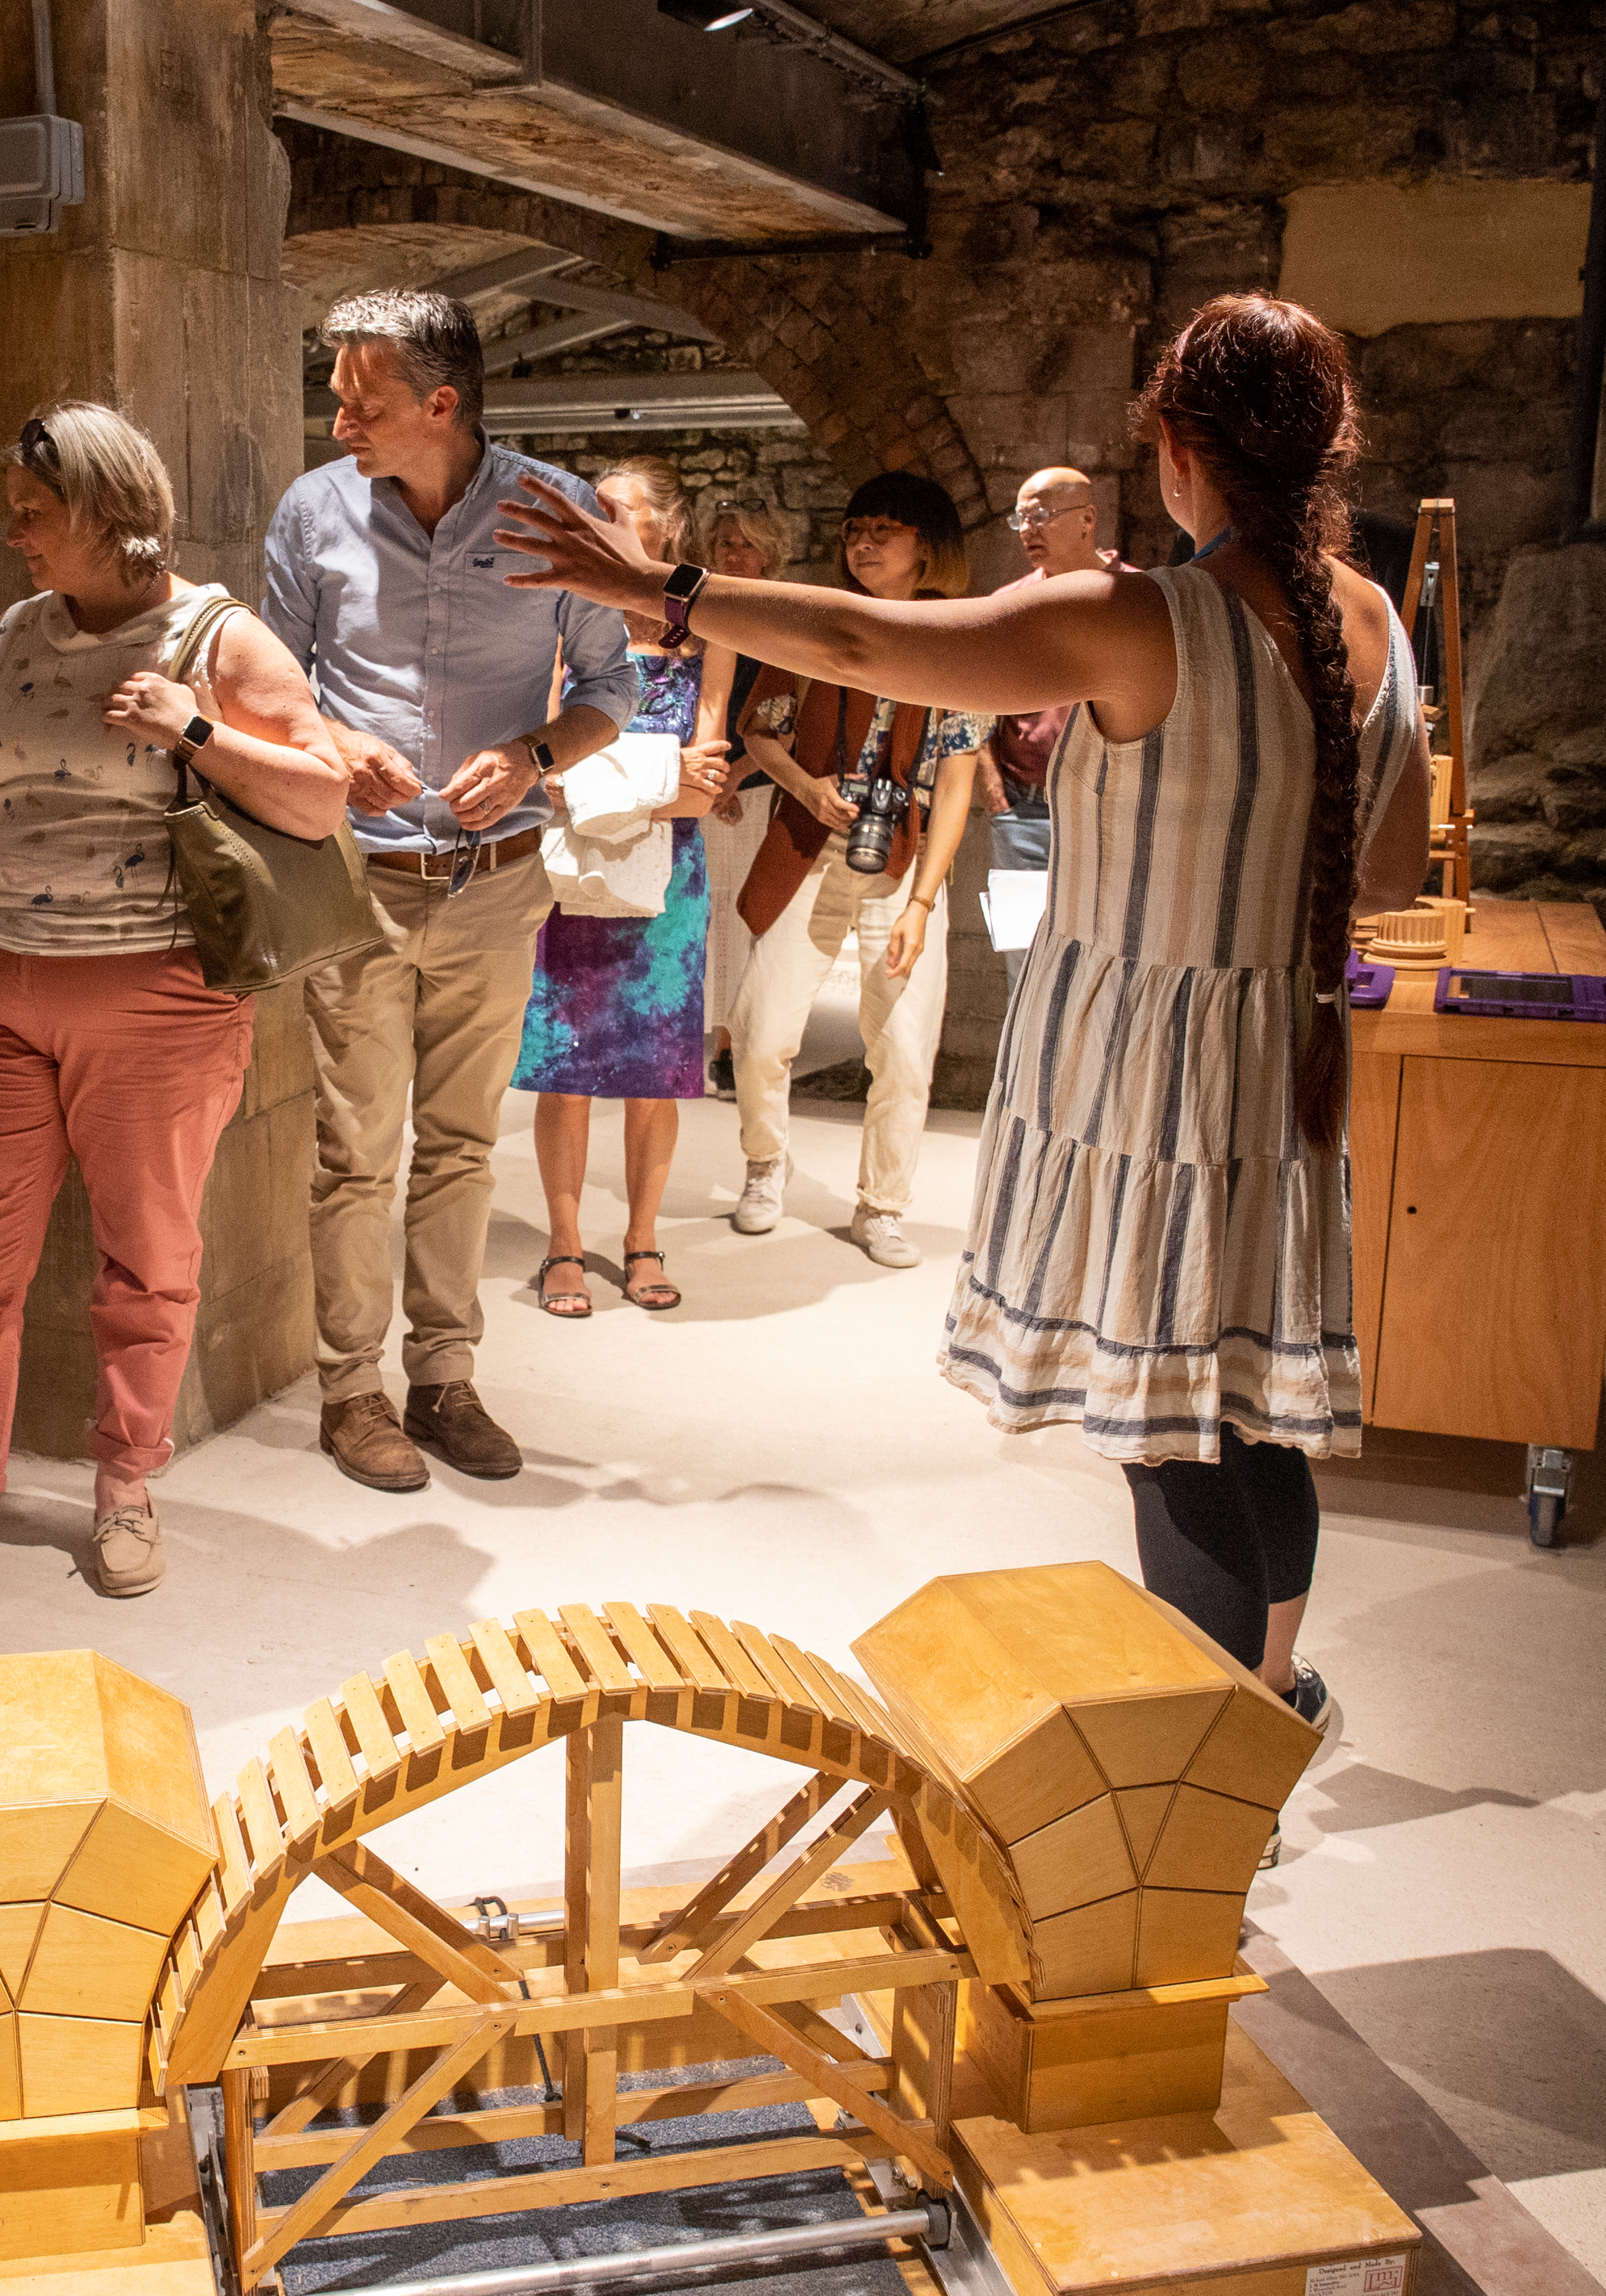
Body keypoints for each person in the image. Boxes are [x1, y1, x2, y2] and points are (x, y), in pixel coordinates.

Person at [495, 292, 1436, 1768]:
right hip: (1285, 1058)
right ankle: (1277, 1697)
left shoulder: (1144, 617)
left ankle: (1195, 1783)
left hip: (1151, 1069)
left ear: (1179, 452)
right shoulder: (1368, 617)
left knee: (1170, 1433)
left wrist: (666, 589)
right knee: (1249, 1407)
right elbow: (1388, 869)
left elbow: (872, 639)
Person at [0, 403, 348, 1600]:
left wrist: (198, 728)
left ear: (111, 513)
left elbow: (322, 802)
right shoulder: (17, 632)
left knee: (147, 1259)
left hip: (157, 1003)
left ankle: (126, 1488)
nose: (11, 534)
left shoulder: (219, 640)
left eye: (33, 514)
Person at [263, 290, 639, 1491]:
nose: (338, 425)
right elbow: (271, 687)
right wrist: (333, 743)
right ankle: (349, 1394)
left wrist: (535, 755)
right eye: (335, 397)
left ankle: (444, 1380)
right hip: (360, 884)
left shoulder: (558, 515)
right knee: (355, 1152)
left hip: (496, 884)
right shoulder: (313, 514)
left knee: (464, 1146)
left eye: (361, 402)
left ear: (442, 404)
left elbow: (612, 685)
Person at [719, 471, 992, 1270]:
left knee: (905, 1044)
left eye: (885, 530)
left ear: (927, 547)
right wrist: (807, 786)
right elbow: (762, 730)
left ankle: (882, 1204)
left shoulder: (957, 641)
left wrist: (923, 901)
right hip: (809, 844)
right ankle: (767, 1164)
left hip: (904, 859)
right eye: (854, 530)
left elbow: (957, 783)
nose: (864, 544)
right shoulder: (817, 627)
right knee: (762, 1028)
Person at [514, 458, 737, 1318]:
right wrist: (657, 772)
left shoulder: (708, 630)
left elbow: (708, 785)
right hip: (576, 874)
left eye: (613, 509)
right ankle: (563, 1245)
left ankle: (642, 1239)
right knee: (564, 1065)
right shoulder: (563, 623)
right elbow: (547, 770)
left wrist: (616, 770)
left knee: (659, 1069)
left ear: (663, 527)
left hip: (671, 877)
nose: (594, 518)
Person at [974, 467, 1134, 994]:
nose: (1027, 529)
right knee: (1026, 971)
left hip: (1110, 814)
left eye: (1041, 515)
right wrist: (994, 789)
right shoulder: (1012, 603)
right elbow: (973, 703)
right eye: (1020, 517)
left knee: (1110, 964)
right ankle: (1031, 1079)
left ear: (1087, 519)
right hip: (1024, 812)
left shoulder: (1137, 598)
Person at [694, 496, 788, 1097]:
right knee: (706, 918)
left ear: (769, 555)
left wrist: (739, 771)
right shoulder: (696, 614)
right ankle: (709, 1033)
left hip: (756, 786)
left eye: (747, 543)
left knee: (746, 918)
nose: (735, 552)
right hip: (703, 786)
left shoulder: (781, 618)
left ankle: (734, 1044)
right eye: (727, 541)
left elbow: (788, 714)